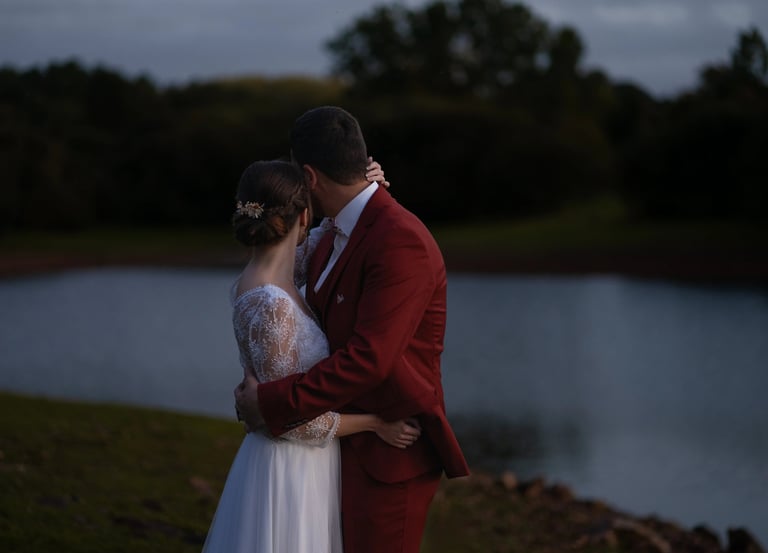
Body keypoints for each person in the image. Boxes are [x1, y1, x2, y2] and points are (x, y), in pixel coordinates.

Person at [235, 106, 470, 553]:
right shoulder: (337, 231)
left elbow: (371, 358)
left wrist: (270, 402)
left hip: (391, 453)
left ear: (309, 175)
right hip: (335, 449)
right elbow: (277, 277)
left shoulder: (399, 239)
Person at [202, 159, 421, 553]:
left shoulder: (274, 274)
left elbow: (332, 236)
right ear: (303, 215)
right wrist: (374, 423)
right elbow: (289, 421)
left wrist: (371, 191)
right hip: (290, 469)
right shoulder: (270, 303)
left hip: (301, 463)